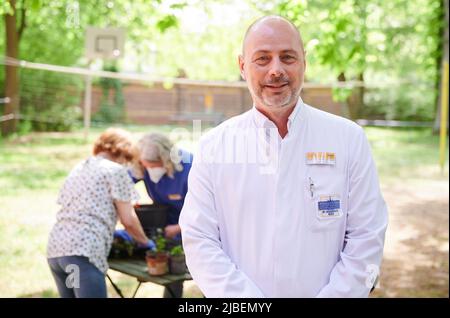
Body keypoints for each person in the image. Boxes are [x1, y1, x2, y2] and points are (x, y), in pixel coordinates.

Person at [179, 15, 388, 297]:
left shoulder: (348, 139)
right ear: (242, 66)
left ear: (304, 63)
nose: (276, 70)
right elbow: (199, 240)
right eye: (262, 59)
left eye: (287, 57)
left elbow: (367, 236)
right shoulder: (214, 146)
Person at [47, 128, 154, 298]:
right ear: (123, 152)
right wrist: (145, 242)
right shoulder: (115, 171)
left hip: (56, 249)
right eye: (128, 159)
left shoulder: (80, 167)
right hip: (83, 249)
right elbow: (128, 220)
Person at [129, 132, 193, 298]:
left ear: (167, 160)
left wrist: (180, 227)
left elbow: (209, 209)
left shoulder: (190, 168)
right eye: (146, 165)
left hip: (193, 228)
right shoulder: (141, 165)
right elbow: (120, 183)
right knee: (172, 276)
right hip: (164, 227)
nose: (150, 169)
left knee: (191, 273)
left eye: (154, 165)